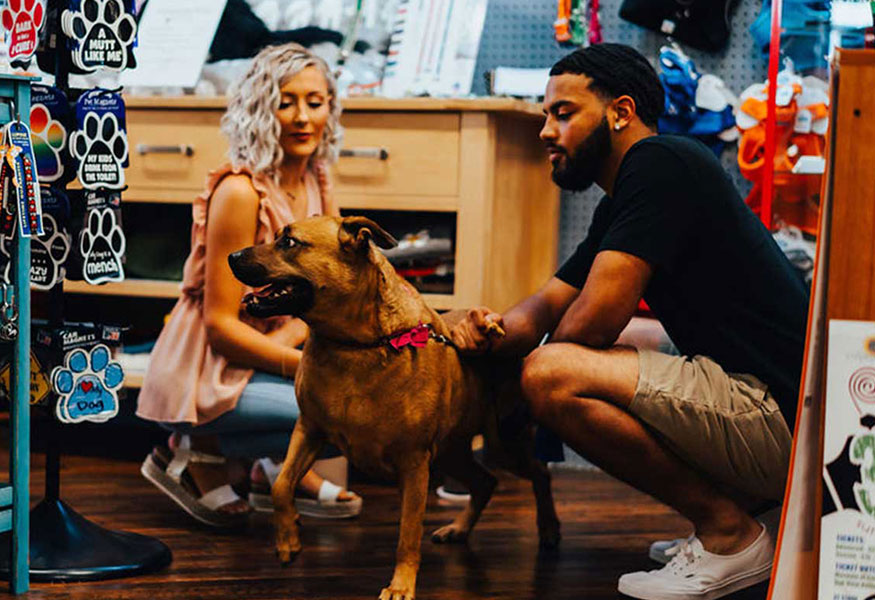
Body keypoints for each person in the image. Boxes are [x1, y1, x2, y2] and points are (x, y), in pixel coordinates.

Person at [451, 43, 808, 600]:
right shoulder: (622, 199)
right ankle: (735, 518)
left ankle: (730, 534)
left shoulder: (661, 162)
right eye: (547, 115)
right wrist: (486, 328)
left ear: (620, 112)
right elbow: (547, 304)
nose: (547, 130)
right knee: (551, 363)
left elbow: (595, 321)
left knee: (553, 375)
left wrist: (525, 383)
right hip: (766, 412)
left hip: (780, 418)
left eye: (563, 113)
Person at [136, 43, 362, 528]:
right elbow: (219, 328)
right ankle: (195, 448)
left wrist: (295, 342)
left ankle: (273, 471)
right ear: (261, 108)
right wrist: (301, 362)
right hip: (205, 373)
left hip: (265, 354)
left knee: (357, 386)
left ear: (330, 108)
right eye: (286, 101)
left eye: (315, 102)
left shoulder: (318, 180)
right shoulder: (240, 192)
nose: (303, 117)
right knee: (342, 404)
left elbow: (328, 294)